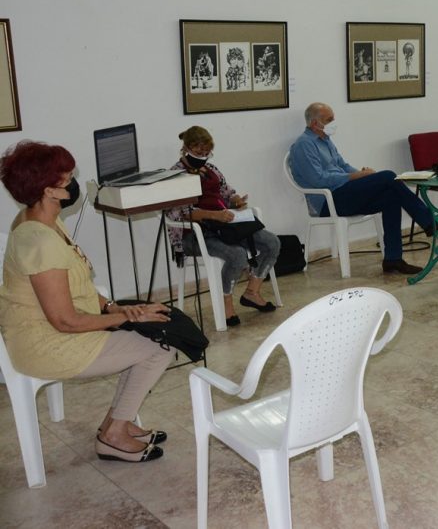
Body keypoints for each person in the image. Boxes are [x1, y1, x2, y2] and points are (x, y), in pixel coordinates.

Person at [0, 141, 173, 463]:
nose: (72, 180)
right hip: (48, 343)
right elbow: (64, 321)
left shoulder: (41, 219)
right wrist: (127, 319)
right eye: (66, 177)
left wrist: (114, 308)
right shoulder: (39, 241)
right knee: (157, 347)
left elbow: (77, 282)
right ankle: (114, 435)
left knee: (153, 332)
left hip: (57, 329)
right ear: (50, 190)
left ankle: (114, 424)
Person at [289, 102, 434, 275]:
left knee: (391, 197)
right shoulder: (304, 145)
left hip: (345, 193)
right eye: (329, 120)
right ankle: (429, 222)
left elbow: (342, 165)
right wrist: (355, 177)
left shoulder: (325, 140)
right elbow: (318, 180)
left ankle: (393, 259)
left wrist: (361, 174)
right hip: (328, 202)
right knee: (388, 176)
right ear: (314, 124)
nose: (333, 122)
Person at [167, 126, 281, 327]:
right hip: (194, 235)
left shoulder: (211, 170)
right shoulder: (175, 176)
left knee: (272, 242)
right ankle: (226, 303)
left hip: (224, 226)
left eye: (206, 153)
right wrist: (213, 215)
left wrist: (236, 200)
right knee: (236, 255)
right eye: (198, 153)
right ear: (186, 148)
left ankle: (252, 293)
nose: (203, 157)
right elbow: (179, 213)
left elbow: (226, 192)